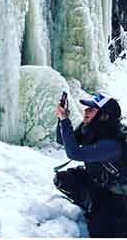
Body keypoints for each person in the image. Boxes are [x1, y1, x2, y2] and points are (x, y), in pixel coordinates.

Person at [54, 93, 127, 237]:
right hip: (99, 184)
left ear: (104, 116)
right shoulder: (92, 129)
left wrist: (65, 120)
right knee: (63, 179)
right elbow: (62, 140)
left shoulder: (111, 144)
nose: (85, 111)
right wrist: (61, 119)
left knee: (102, 233)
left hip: (118, 198)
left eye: (91, 109)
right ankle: (92, 205)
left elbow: (74, 153)